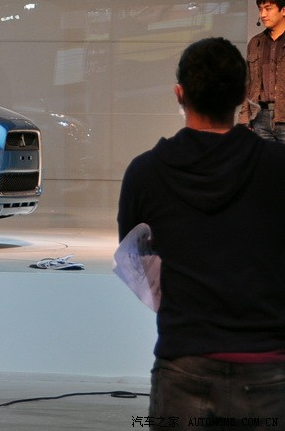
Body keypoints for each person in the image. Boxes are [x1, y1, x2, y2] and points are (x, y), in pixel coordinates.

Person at [118, 37, 285, 423]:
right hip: (268, 365)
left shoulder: (145, 173)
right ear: (244, 95)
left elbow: (135, 260)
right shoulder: (278, 167)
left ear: (179, 93)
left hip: (183, 359)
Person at [238, 0, 285, 143]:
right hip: (260, 117)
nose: (262, 14)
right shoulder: (255, 43)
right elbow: (249, 84)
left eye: (268, 9)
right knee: (265, 159)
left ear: (283, 10)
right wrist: (244, 119)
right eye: (260, 9)